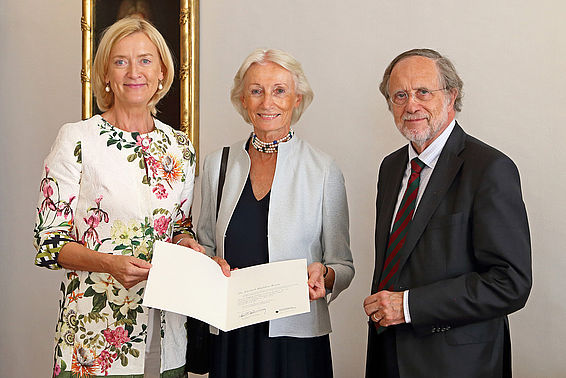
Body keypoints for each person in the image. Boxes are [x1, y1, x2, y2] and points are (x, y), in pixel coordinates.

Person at [33, 17, 203, 377]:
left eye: (145, 60)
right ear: (106, 74)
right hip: (95, 336)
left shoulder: (180, 147)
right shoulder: (77, 140)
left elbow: (179, 225)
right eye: (121, 61)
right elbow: (49, 244)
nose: (133, 72)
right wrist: (109, 264)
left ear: (162, 72)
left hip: (167, 327)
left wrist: (188, 243)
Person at [363, 48, 532, 377]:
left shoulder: (489, 169)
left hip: (457, 364)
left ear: (452, 95)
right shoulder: (391, 167)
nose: (411, 105)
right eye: (400, 95)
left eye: (423, 92)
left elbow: (510, 282)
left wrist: (409, 306)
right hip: (388, 356)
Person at [197, 48, 355, 378]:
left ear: (297, 99)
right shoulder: (217, 165)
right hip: (232, 334)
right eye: (256, 91)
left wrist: (323, 277)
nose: (267, 102)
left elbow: (342, 264)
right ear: (243, 100)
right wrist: (209, 265)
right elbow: (206, 247)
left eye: (279, 90)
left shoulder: (323, 170)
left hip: (295, 339)